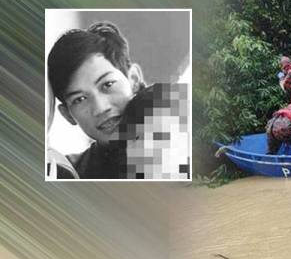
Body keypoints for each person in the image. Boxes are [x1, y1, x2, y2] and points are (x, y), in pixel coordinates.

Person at [47, 21, 189, 179]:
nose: (100, 108)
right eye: (80, 99)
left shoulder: (183, 141)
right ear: (67, 115)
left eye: (107, 85)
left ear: (134, 79)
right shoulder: (67, 173)